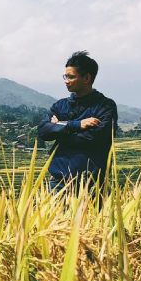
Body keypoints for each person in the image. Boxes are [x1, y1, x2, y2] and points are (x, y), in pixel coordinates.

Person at [37, 51, 117, 192]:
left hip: (91, 183)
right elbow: (43, 131)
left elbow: (96, 137)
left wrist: (59, 129)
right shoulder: (60, 106)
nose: (66, 81)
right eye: (65, 76)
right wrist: (76, 125)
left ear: (86, 78)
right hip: (59, 182)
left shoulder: (105, 106)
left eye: (71, 77)